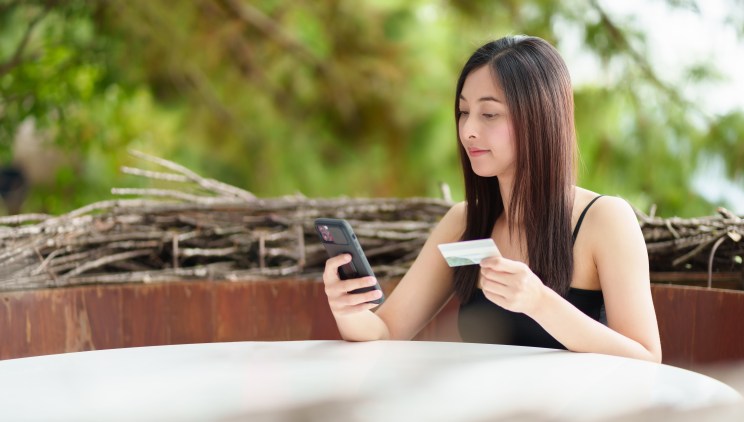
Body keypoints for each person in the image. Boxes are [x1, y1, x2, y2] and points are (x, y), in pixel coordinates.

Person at [322, 35, 662, 363]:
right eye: (463, 112)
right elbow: (386, 332)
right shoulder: (464, 222)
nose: (468, 129)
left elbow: (646, 357)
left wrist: (540, 302)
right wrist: (348, 311)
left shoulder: (604, 220)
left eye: (489, 114)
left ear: (538, 118)